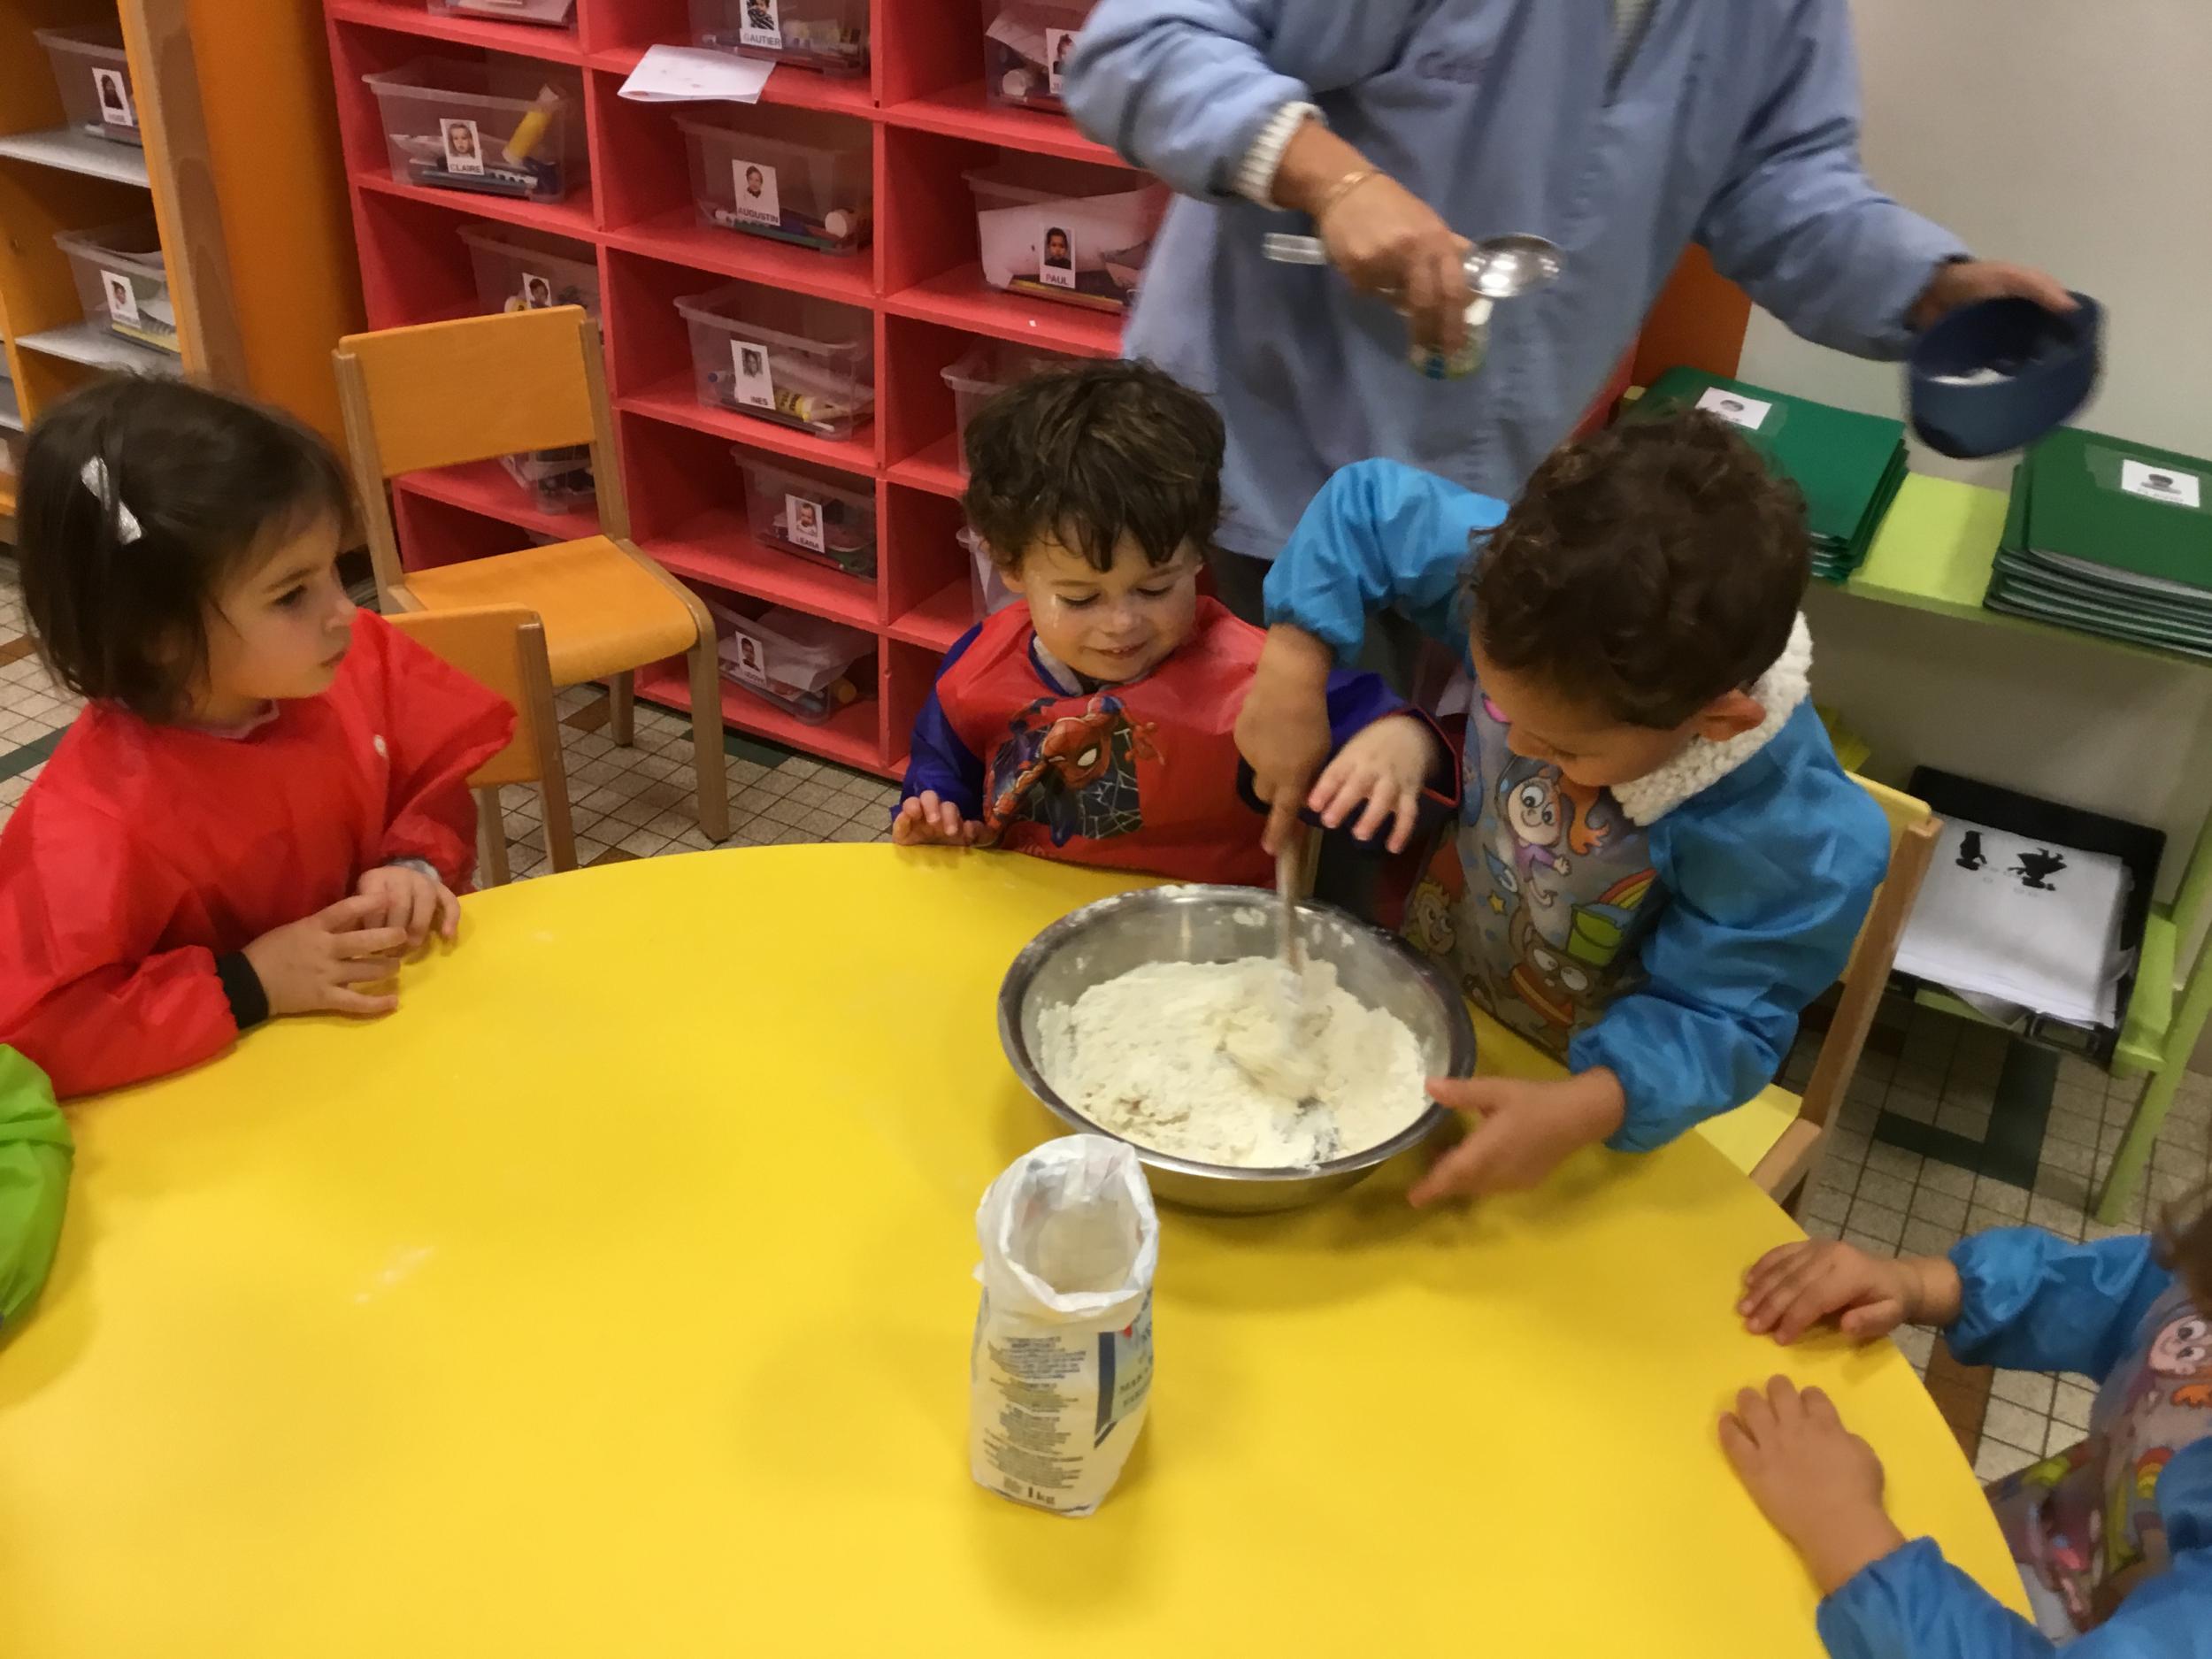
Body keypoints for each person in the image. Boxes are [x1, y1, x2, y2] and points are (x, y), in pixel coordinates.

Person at [1062, 1, 2073, 676]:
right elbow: (1139, 48)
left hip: (1468, 488)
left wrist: (1922, 283)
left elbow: (1778, 181)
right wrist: (1333, 180)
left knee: (1379, 800)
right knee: (1209, 815)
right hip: (1256, 460)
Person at [1236, 411, 1888, 1200]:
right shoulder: (1539, 593)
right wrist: (1292, 668)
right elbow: (1368, 509)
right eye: (1501, 709)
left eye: (1564, 749)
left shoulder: (1791, 834)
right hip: (1451, 987)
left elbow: (1720, 1020)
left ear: (1715, 721)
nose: (1520, 745)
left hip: (1584, 1104)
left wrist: (1587, 1105)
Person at [0, 378, 516, 1099]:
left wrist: (413, 863)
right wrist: (249, 982)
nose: (346, 612)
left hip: (397, 1041)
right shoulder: (94, 822)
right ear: (159, 637)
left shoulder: (344, 661)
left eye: (334, 568)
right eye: (292, 593)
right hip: (243, 1099)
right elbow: (40, 1027)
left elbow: (429, 771)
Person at [896, 359, 1452, 887]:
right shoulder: (979, 665)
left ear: (1199, 553)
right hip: (1023, 917)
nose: (1122, 623)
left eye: (1155, 588)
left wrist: (1403, 742)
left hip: (1205, 934)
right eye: (1080, 598)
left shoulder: (1256, 678)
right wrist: (938, 813)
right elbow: (944, 770)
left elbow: (1380, 729)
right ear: (1010, 565)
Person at [1723, 1186, 2212, 1654]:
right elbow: (2126, 1291)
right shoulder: (2199, 1276)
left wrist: (1842, 1526)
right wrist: (1923, 1285)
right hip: (1980, 1552)